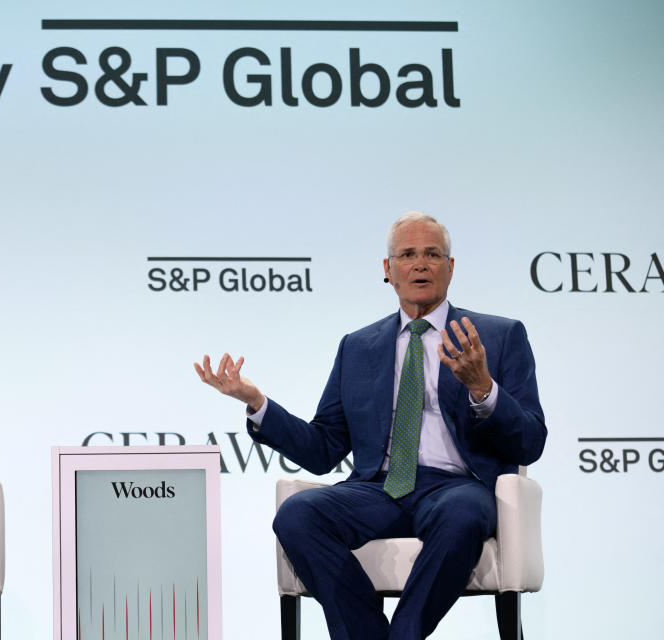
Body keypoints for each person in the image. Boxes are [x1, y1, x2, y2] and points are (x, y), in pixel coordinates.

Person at [194, 212, 546, 639]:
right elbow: (323, 449)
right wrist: (256, 403)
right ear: (388, 270)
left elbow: (530, 440)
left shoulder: (498, 335)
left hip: (456, 488)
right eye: (408, 255)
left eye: (433, 254)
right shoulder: (358, 346)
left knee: (463, 514)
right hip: (378, 490)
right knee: (297, 514)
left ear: (450, 268)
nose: (420, 264)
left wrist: (483, 389)